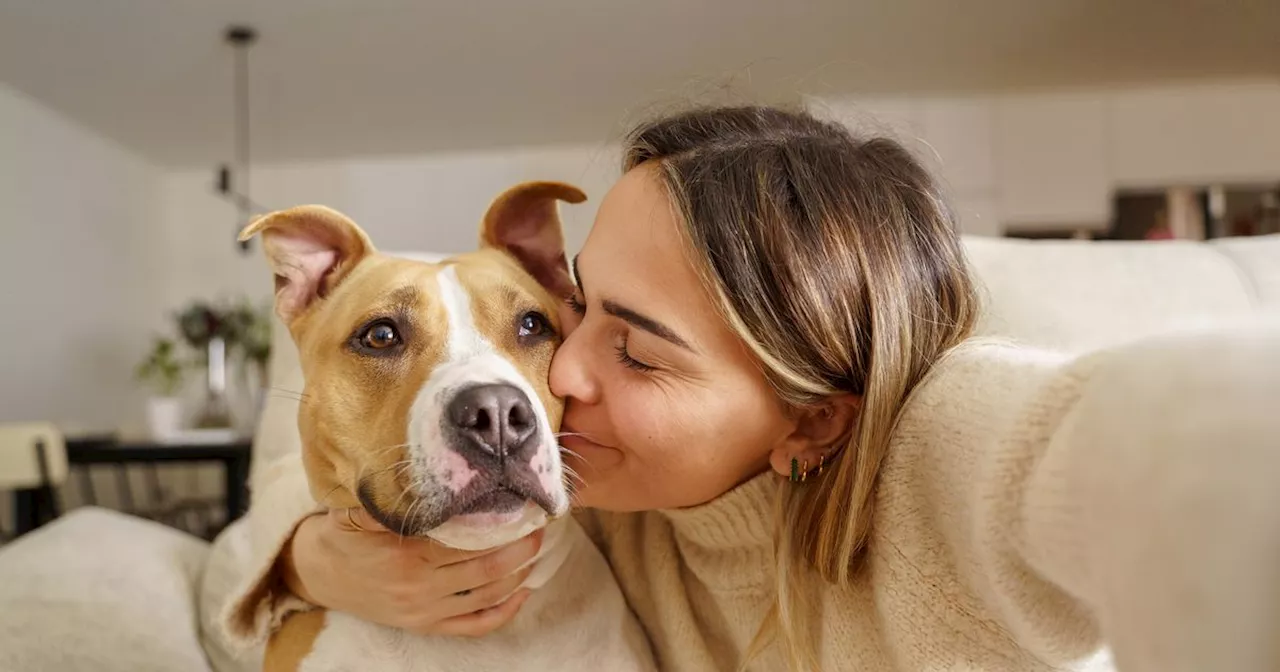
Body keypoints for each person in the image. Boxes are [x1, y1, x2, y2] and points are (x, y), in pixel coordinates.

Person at [216, 105, 1280, 671]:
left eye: (634, 351)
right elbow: (267, 506)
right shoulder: (589, 491)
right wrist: (317, 558)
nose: (554, 384)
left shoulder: (930, 457)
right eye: (573, 310)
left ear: (811, 419)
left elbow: (1091, 444)